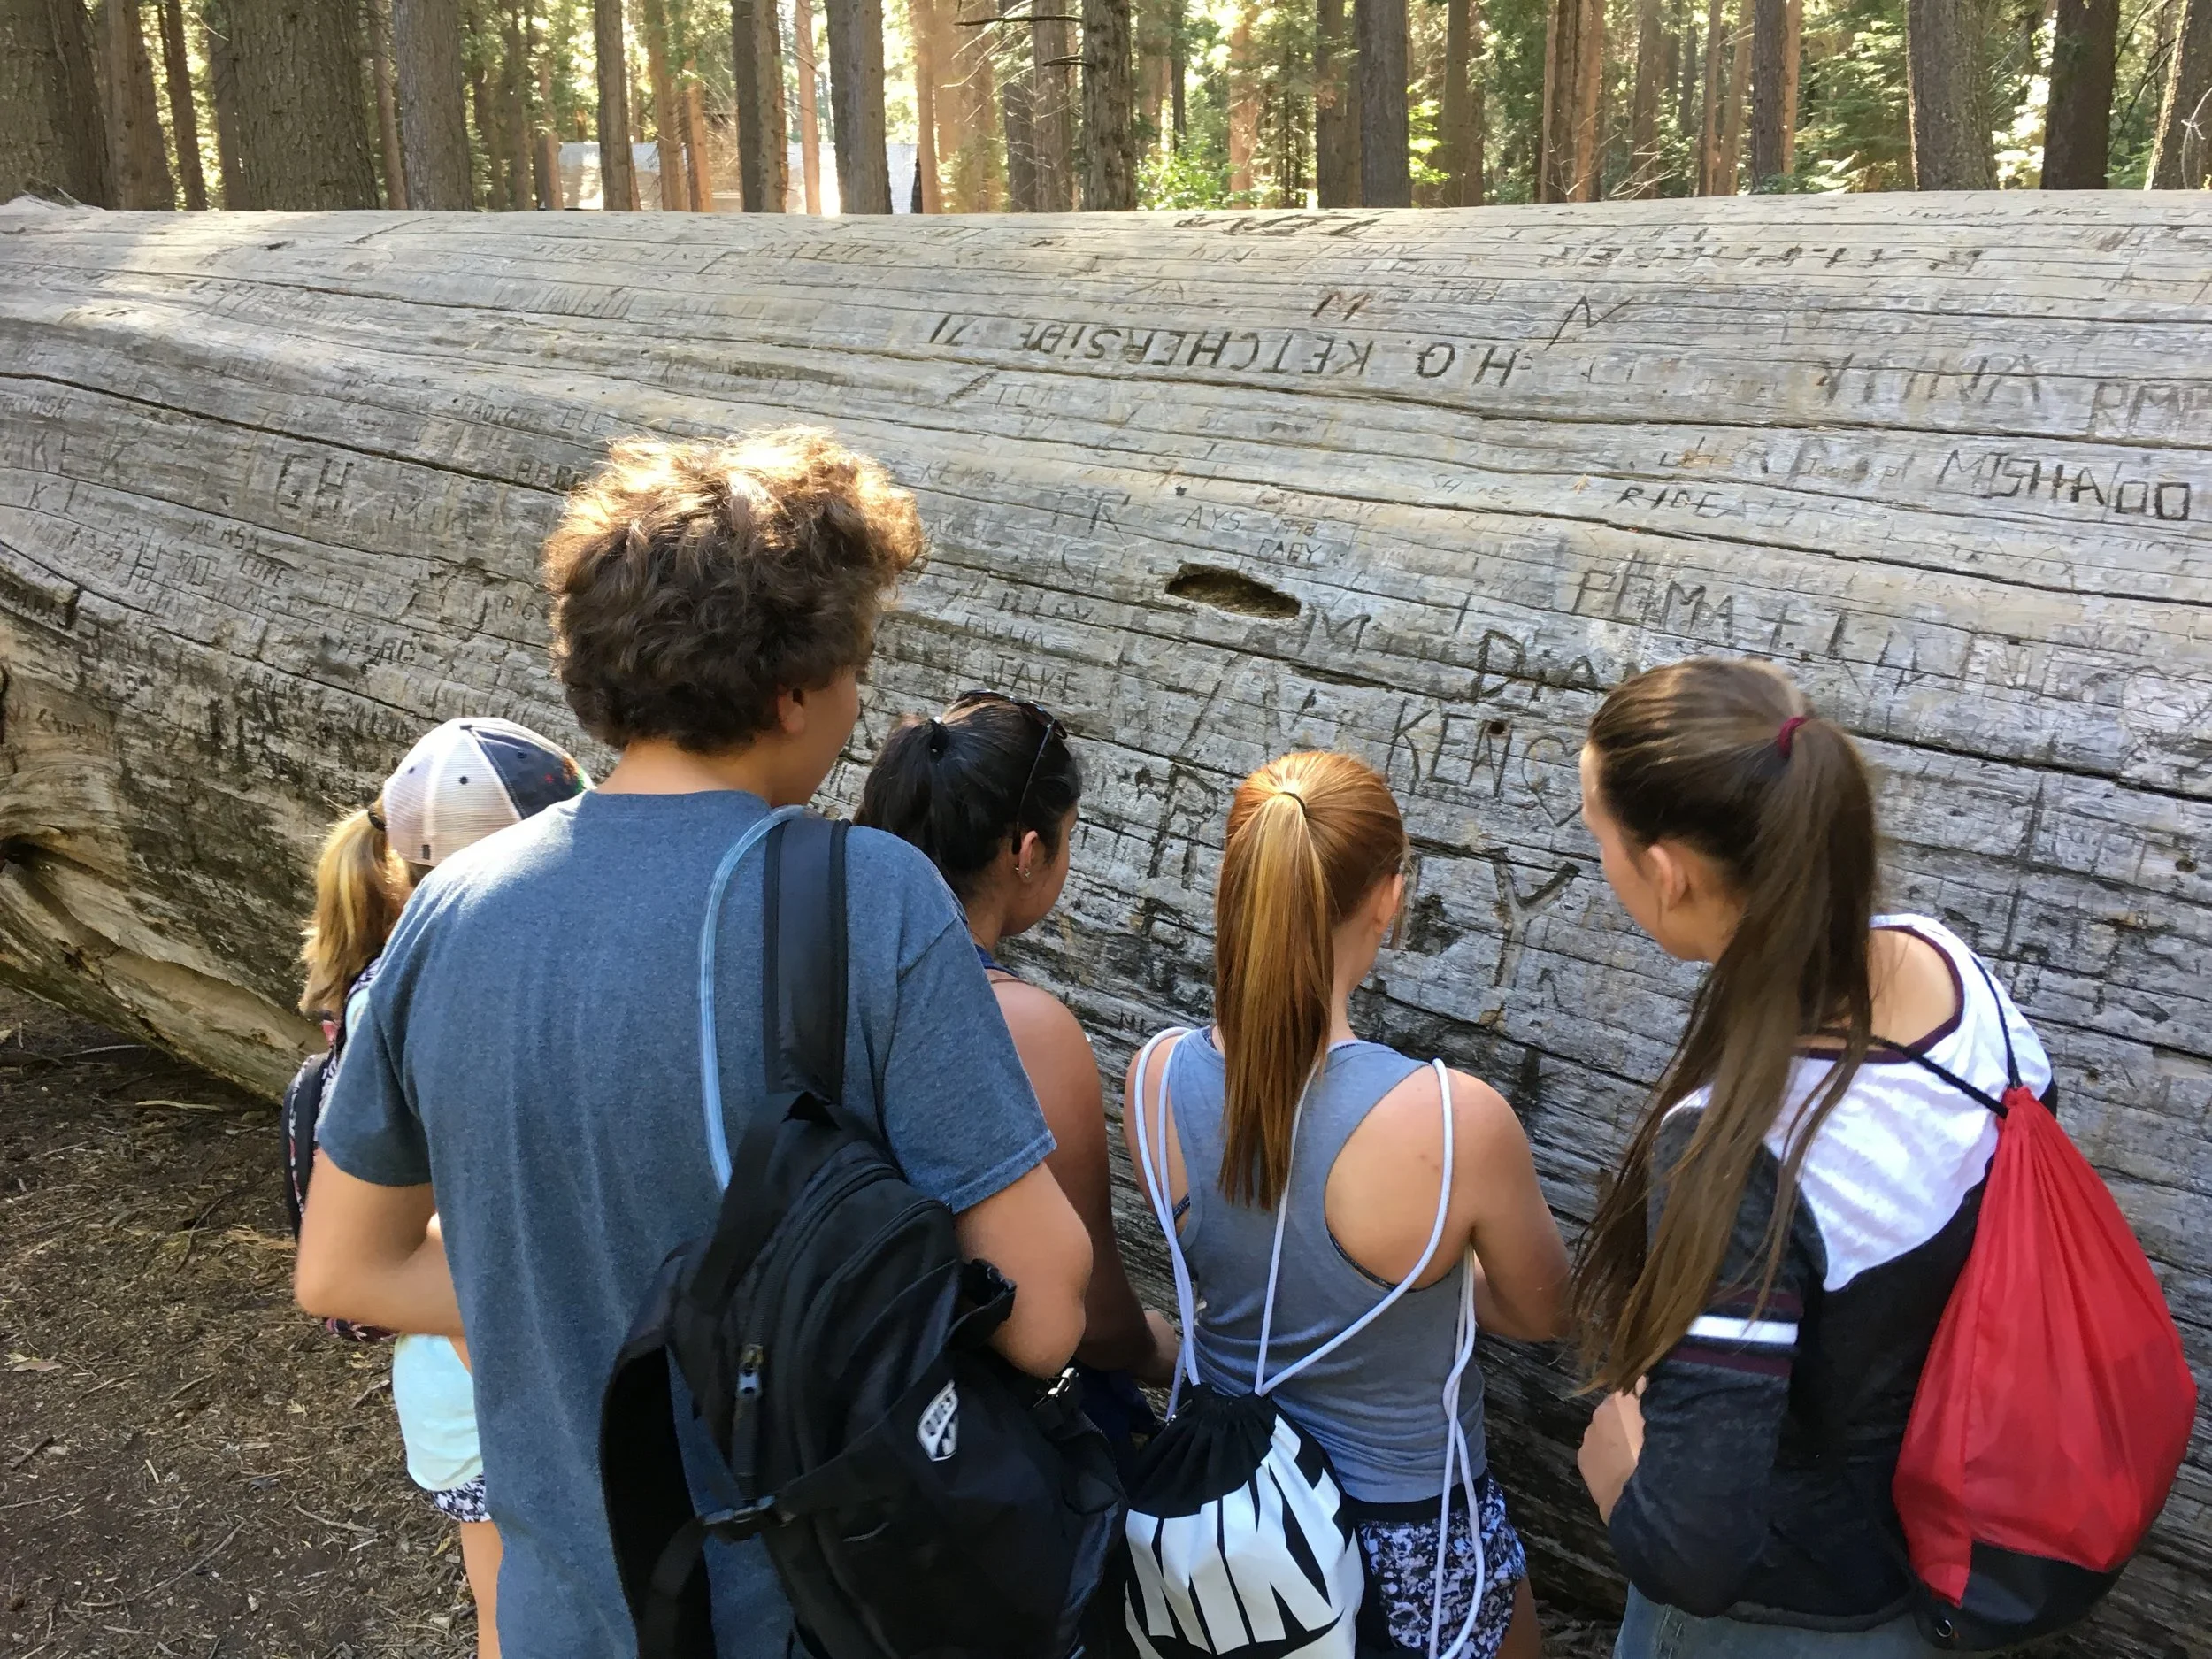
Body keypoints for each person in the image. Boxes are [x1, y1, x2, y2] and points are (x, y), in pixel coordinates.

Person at [293, 429, 1094, 1657]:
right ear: (792, 689)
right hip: (812, 1608)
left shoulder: (448, 911)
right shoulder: (866, 894)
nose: (863, 699)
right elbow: (1041, 1311)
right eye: (856, 661)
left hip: (565, 1610)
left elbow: (341, 1267)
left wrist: (569, 1300)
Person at [1570, 657, 2055, 1658]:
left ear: (1668, 871)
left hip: (1779, 1624)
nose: (1600, 857)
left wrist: (1621, 1472)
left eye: (1597, 834)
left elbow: (1697, 1552)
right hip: (1933, 1565)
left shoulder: (1741, 1154)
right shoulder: (1953, 977)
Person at [1126, 750, 1570, 1659]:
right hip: (1407, 1537)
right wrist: (1429, 1273)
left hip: (1224, 1529)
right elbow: (1540, 1309)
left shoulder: (1153, 1076)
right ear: (1388, 897)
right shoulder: (1453, 1120)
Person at [296, 715, 591, 1659]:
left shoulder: (381, 985)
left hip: (443, 1373)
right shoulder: (477, 1003)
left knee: (503, 1605)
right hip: (509, 1360)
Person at [856, 691, 1180, 1465]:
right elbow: (1084, 1311)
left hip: (840, 1394)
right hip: (979, 1441)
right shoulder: (1027, 1027)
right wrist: (1157, 1351)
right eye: (1067, 840)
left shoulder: (821, 961)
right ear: (1026, 851)